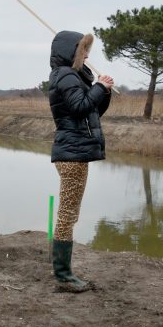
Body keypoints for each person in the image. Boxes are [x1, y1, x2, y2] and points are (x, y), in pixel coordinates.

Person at [47, 30, 115, 292]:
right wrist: (98, 87)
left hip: (75, 153)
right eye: (83, 50)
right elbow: (78, 106)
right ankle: (63, 276)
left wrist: (103, 91)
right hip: (71, 155)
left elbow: (91, 112)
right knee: (67, 214)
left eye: (87, 50)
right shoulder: (65, 75)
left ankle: (64, 272)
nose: (87, 55)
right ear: (71, 52)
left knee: (70, 213)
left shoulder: (71, 76)